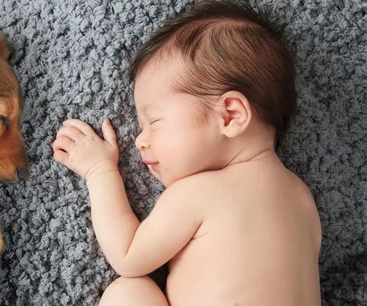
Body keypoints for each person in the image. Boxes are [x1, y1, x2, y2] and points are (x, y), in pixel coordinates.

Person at [52, 1, 322, 305]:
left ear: (230, 116)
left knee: (128, 292)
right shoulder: (303, 199)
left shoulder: (199, 192)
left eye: (154, 121)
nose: (141, 140)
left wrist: (99, 172)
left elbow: (128, 255)